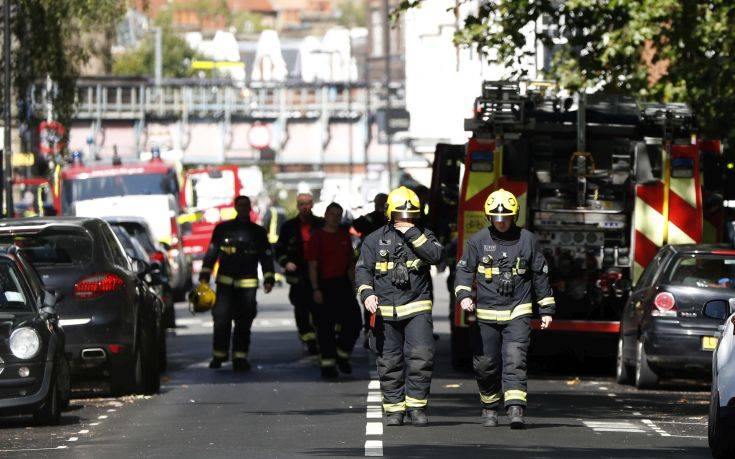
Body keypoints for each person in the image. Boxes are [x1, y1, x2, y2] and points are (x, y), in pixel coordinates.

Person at [454, 189, 555, 429]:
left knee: (515, 357)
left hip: (517, 310)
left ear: (514, 217)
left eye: (506, 218)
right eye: (497, 218)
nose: (501, 222)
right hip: (486, 314)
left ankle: (515, 408)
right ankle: (489, 406)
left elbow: (540, 275)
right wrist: (464, 295)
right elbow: (464, 270)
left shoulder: (528, 240)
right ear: (489, 217)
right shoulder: (478, 241)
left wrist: (546, 309)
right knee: (486, 364)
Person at [355, 186, 443, 427]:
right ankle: (394, 409)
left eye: (411, 215)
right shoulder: (374, 240)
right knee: (389, 360)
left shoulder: (424, 234)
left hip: (416, 306)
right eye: (402, 215)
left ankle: (416, 407)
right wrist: (367, 294)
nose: (406, 219)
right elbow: (363, 270)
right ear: (390, 214)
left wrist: (413, 234)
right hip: (384, 309)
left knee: (421, 357)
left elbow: (436, 256)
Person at [199, 195, 275, 371]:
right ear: (235, 207)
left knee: (244, 322)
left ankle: (240, 357)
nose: (242, 208)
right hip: (225, 285)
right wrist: (205, 275)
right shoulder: (222, 229)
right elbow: (211, 253)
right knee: (221, 320)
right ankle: (219, 355)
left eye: (245, 205)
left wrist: (269, 278)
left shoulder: (258, 232)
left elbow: (266, 257)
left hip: (247, 286)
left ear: (249, 208)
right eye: (239, 205)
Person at [305, 202, 362, 379]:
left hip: (343, 285)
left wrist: (354, 287)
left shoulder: (344, 237)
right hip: (324, 285)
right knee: (325, 328)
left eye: (338, 215)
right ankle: (328, 365)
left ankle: (342, 355)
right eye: (332, 214)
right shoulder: (317, 238)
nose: (335, 218)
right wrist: (316, 289)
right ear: (326, 215)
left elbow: (350, 265)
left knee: (354, 323)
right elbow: (312, 265)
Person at [274, 192, 322, 354]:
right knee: (301, 309)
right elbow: (279, 249)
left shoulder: (320, 224)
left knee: (318, 310)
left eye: (308, 203)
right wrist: (286, 262)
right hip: (298, 276)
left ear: (312, 205)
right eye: (301, 204)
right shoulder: (289, 227)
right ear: (297, 206)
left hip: (318, 275)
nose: (305, 207)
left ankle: (320, 337)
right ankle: (308, 340)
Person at [353, 193, 389, 346]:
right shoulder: (369, 219)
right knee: (369, 300)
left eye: (383, 204)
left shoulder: (390, 220)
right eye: (378, 203)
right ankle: (369, 331)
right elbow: (356, 224)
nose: (380, 207)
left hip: (388, 267)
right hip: (370, 265)